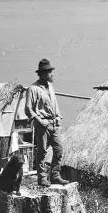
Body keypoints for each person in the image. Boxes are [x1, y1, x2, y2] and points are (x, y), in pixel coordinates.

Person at [24, 58, 70, 187]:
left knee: (59, 149)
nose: (52, 74)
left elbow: (54, 104)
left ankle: (55, 176)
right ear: (43, 74)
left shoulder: (50, 86)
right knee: (42, 152)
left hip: (54, 124)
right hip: (42, 125)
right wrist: (40, 121)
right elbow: (28, 109)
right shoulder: (33, 89)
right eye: (50, 72)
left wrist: (58, 117)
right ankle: (42, 177)